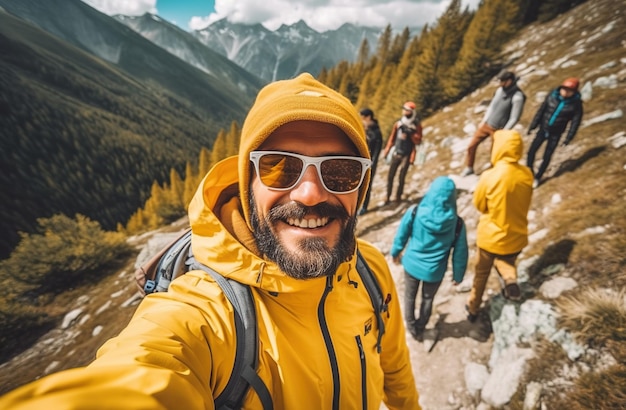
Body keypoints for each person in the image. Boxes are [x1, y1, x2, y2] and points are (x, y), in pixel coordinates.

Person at [0, 73, 421, 409]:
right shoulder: (205, 315)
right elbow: (143, 373)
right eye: (278, 167)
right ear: (246, 183)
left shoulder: (369, 268)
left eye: (341, 171)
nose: (310, 193)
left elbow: (394, 365)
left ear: (361, 186)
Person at [466, 129, 533, 322]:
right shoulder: (526, 174)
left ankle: (473, 308)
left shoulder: (490, 176)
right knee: (506, 261)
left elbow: (479, 205)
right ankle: (510, 280)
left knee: (481, 274)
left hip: (490, 237)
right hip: (516, 236)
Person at [390, 176, 468, 339]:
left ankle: (411, 327)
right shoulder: (457, 223)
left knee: (409, 297)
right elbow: (460, 252)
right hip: (435, 271)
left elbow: (402, 235)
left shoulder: (415, 211)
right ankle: (421, 326)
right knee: (428, 299)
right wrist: (458, 275)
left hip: (411, 264)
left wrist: (395, 253)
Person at [460, 70, 526, 176]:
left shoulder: (517, 96)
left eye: (502, 81)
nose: (500, 84)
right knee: (471, 146)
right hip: (487, 124)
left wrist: (504, 132)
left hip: (499, 130)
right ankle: (469, 167)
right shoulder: (500, 91)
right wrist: (484, 121)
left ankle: (492, 174)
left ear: (509, 81)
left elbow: (514, 118)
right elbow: (492, 106)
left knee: (495, 154)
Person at [526, 77, 584, 188]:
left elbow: (575, 123)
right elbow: (541, 111)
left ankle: (538, 177)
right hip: (543, 129)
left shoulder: (576, 105)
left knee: (547, 156)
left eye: (569, 90)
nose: (565, 92)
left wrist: (568, 137)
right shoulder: (552, 96)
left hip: (556, 133)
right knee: (531, 152)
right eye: (564, 89)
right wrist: (533, 125)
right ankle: (529, 173)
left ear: (574, 92)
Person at [382, 102, 423, 204]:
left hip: (407, 154)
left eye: (407, 110)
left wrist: (411, 133)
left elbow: (418, 140)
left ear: (412, 112)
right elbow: (392, 137)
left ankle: (398, 197)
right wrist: (387, 150)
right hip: (397, 152)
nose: (404, 111)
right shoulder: (399, 123)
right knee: (390, 176)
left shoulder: (416, 125)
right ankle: (387, 196)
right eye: (404, 109)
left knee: (401, 177)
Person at [358, 108, 383, 215]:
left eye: (363, 117)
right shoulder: (365, 129)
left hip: (370, 162)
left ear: (368, 117)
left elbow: (377, 150)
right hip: (361, 161)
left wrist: (373, 162)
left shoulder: (377, 132)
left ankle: (364, 207)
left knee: (367, 185)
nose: (361, 120)